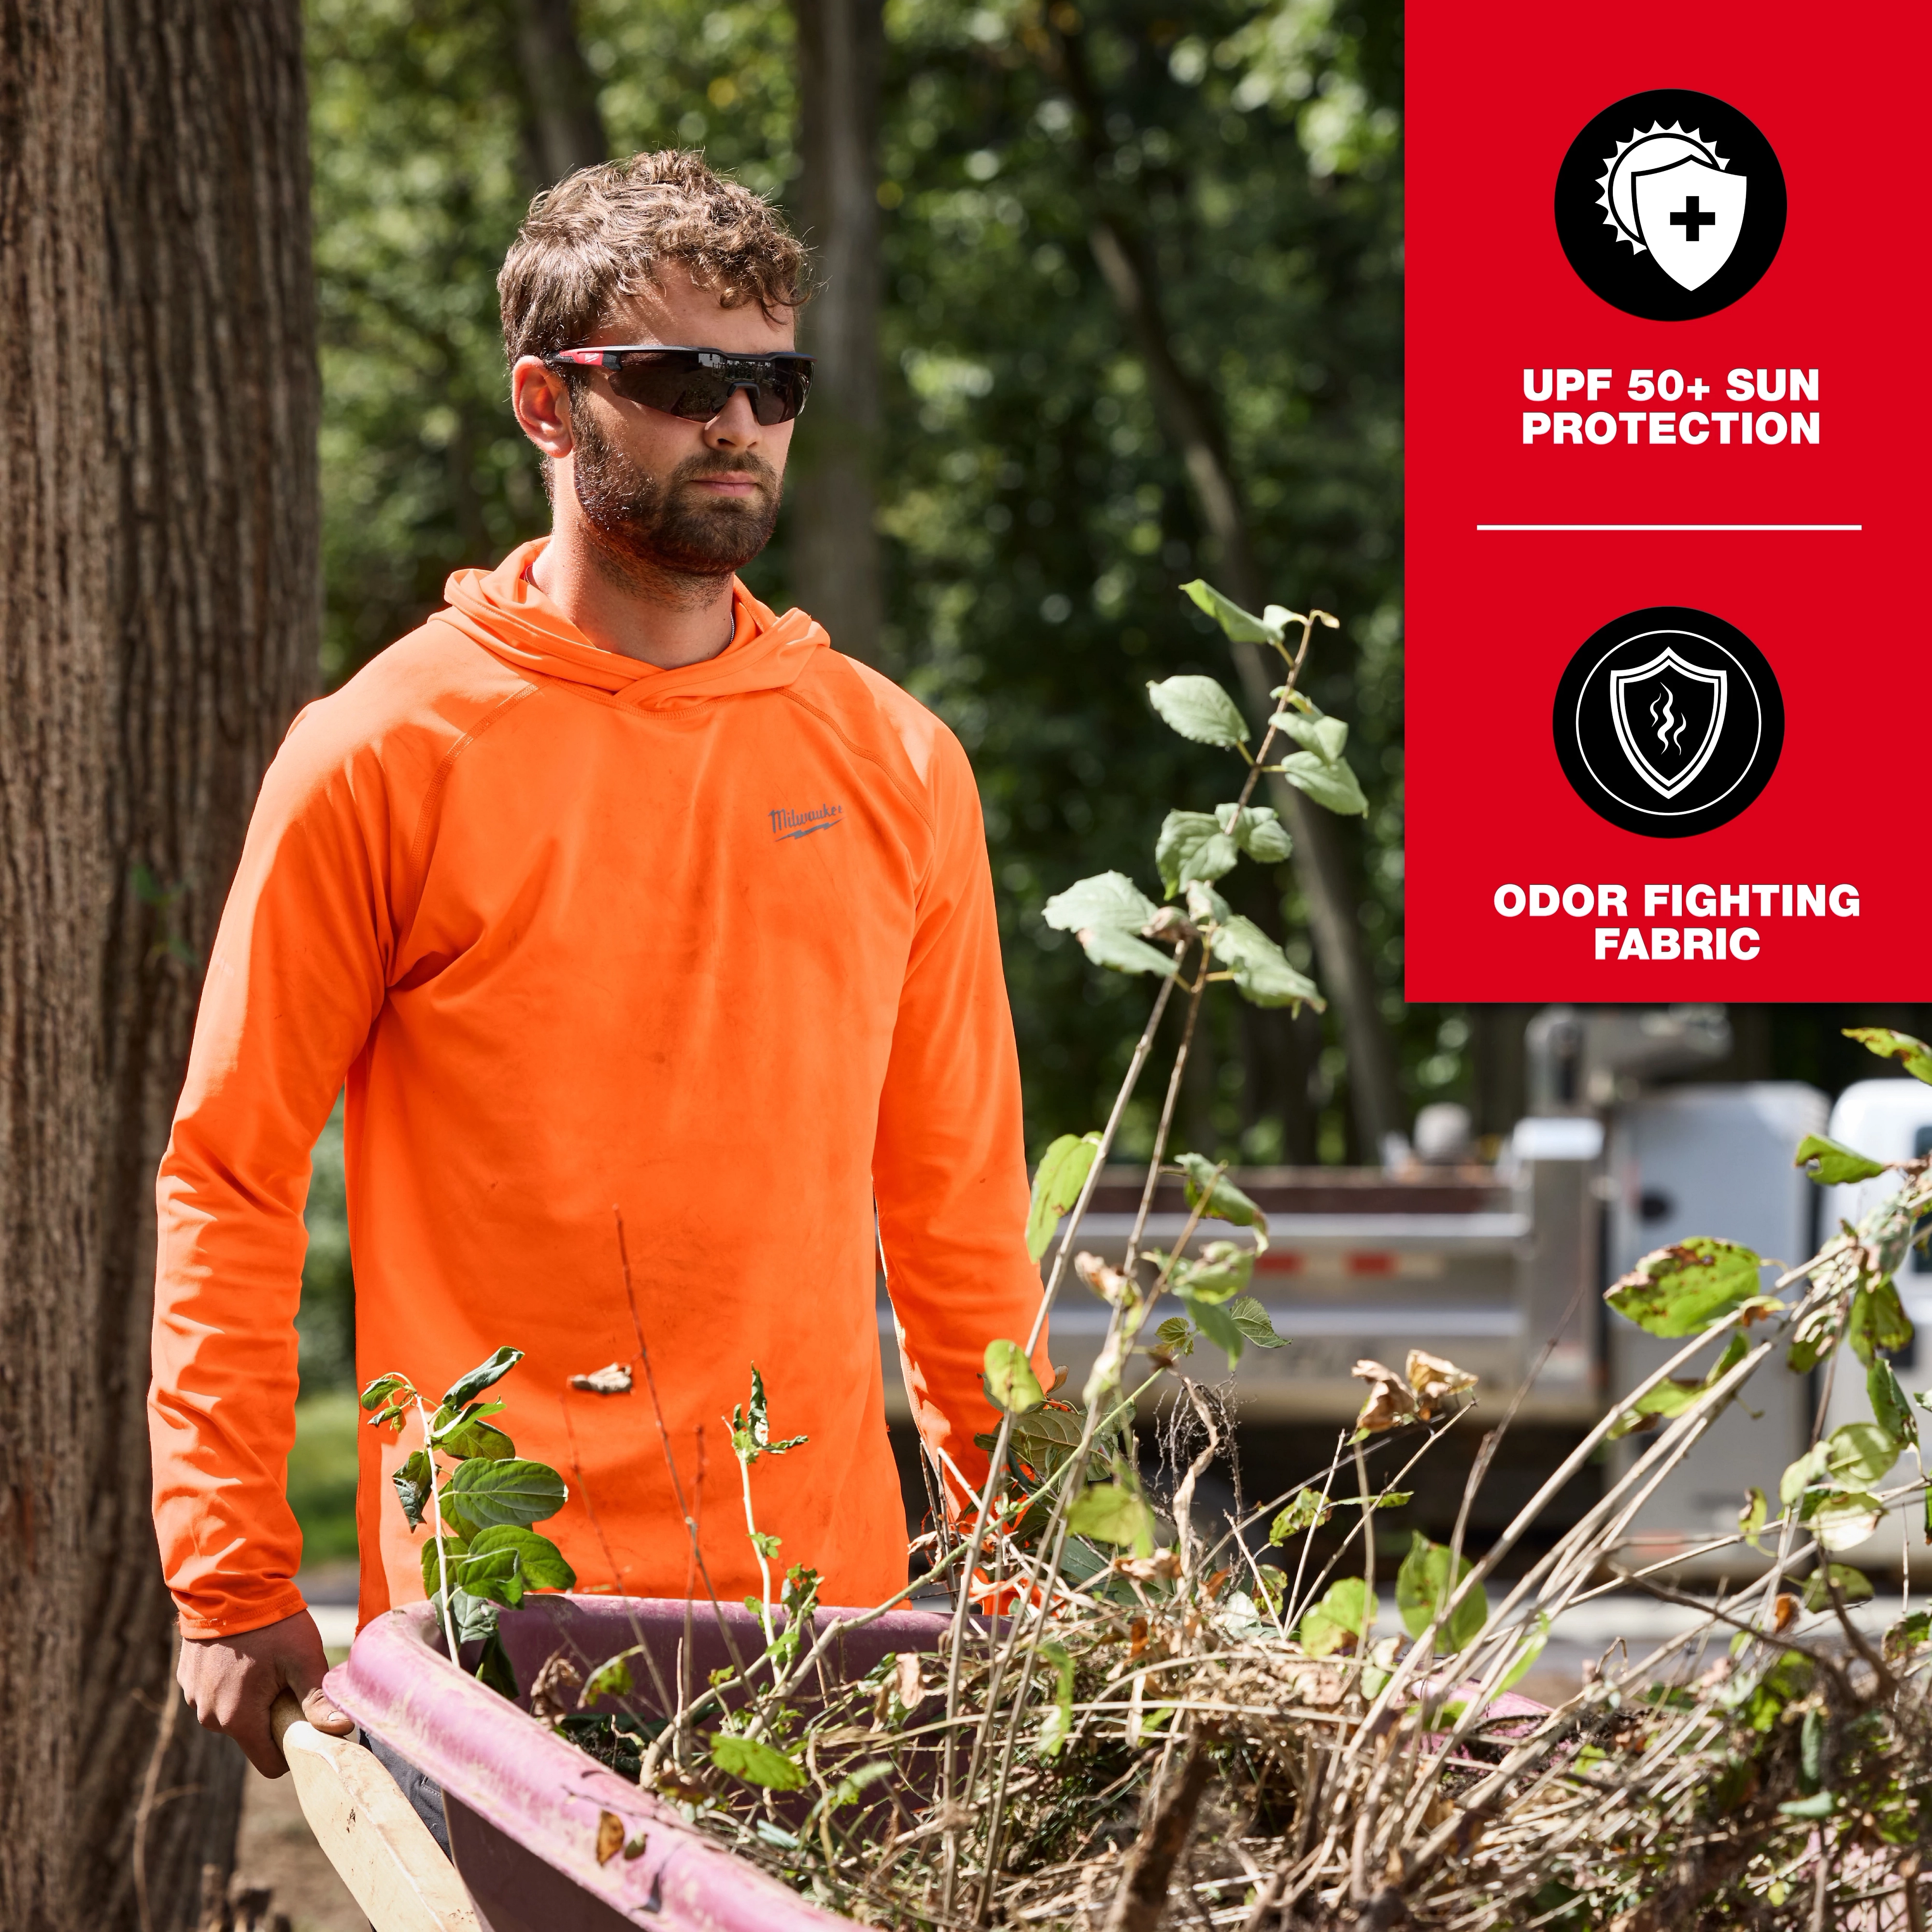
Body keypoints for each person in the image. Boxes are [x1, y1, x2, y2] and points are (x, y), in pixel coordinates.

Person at [153, 150, 1050, 1779]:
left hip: (821, 1624)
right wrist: (226, 1563)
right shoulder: (382, 751)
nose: (736, 423)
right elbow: (232, 1169)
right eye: (677, 377)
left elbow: (958, 1209)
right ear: (545, 405)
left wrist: (1037, 1546)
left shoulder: (900, 764)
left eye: (769, 382)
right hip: (492, 1627)